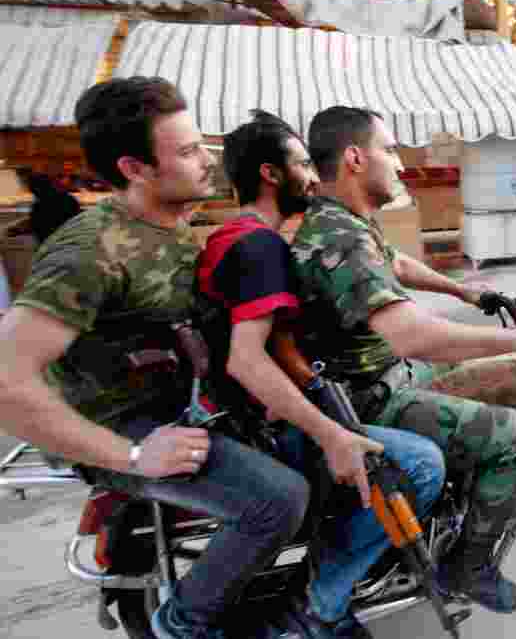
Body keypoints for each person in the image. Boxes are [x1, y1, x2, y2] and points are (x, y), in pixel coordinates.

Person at [0, 77, 312, 639]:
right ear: (134, 168)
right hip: (123, 429)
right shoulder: (90, 250)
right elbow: (7, 382)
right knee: (278, 499)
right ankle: (184, 625)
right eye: (188, 151)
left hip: (180, 406)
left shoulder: (171, 224)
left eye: (202, 144)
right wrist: (135, 453)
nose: (207, 159)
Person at [289, 106, 516, 614]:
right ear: (353, 157)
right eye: (388, 150)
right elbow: (411, 335)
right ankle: (470, 566)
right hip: (368, 398)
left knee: (492, 377)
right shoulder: (338, 235)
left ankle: (451, 514)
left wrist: (469, 295)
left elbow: (399, 264)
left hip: (383, 373)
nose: (399, 164)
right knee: (515, 435)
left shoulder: (343, 222)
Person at [197, 110, 445, 637]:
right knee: (422, 464)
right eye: (304, 164)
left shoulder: (248, 238)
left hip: (250, 409)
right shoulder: (258, 246)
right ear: (271, 174)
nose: (314, 177)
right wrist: (328, 427)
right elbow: (249, 358)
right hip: (265, 423)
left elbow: (388, 265)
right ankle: (321, 604)